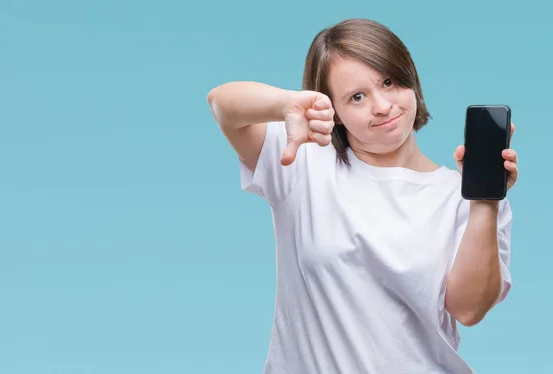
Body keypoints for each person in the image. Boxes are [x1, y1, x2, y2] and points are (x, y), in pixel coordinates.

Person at [206, 18, 519, 374]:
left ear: (410, 78)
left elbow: (468, 309)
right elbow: (222, 104)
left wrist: (483, 205)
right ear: (333, 111)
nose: (382, 105)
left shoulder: (464, 197)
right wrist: (289, 104)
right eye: (357, 97)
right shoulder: (304, 160)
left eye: (389, 82)